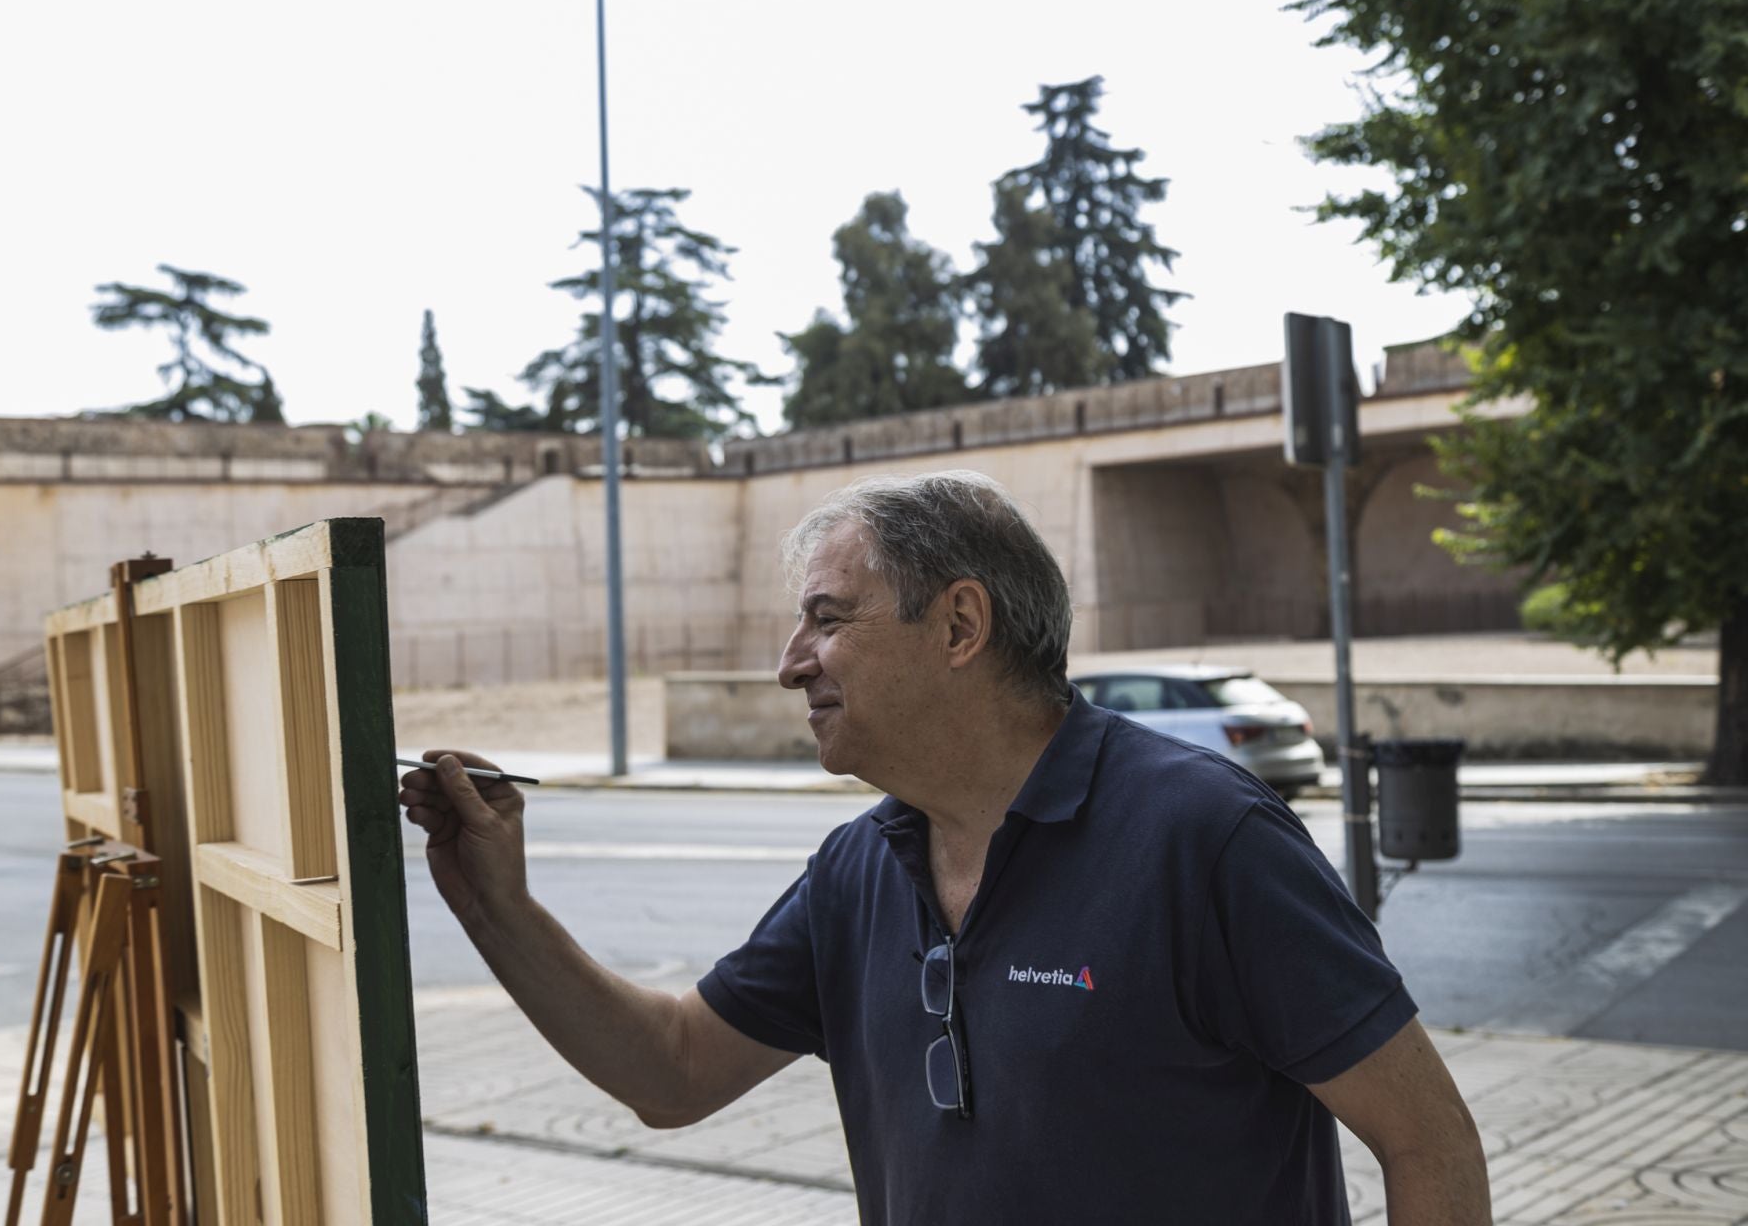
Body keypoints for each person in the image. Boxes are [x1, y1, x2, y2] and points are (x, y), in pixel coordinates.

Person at [399, 470, 1490, 1224]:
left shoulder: (1205, 836)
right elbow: (673, 1071)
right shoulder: (855, 871)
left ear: (961, 626)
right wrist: (495, 902)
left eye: (828, 618)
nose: (791, 662)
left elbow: (1429, 1142)